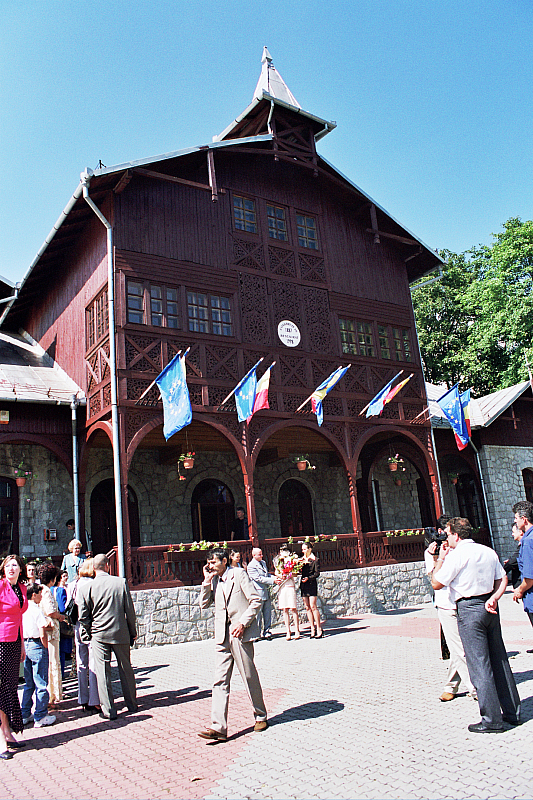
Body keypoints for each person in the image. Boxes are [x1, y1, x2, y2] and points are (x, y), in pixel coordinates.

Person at [431, 517, 521, 732]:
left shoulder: (457, 555)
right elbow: (502, 579)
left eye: (449, 533)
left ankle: (491, 719)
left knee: (479, 664)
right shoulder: (487, 551)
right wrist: (495, 598)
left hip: (469, 608)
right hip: (489, 605)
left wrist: (440, 559)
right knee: (499, 659)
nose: (447, 537)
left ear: (456, 535)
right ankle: (512, 712)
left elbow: (436, 583)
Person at [198, 547, 268, 742]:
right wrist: (205, 582)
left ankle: (260, 715)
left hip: (240, 634)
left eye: (213, 562)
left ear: (224, 562)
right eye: (208, 562)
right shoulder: (214, 581)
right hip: (222, 636)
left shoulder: (239, 574)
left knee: (248, 675)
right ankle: (218, 727)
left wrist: (243, 623)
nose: (210, 565)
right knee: (219, 681)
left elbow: (256, 600)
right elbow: (204, 604)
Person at [78, 553, 137, 720]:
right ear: (108, 566)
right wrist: (132, 631)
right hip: (120, 632)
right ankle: (132, 704)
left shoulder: (86, 588)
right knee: (126, 668)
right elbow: (129, 611)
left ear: (94, 568)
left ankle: (109, 710)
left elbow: (83, 616)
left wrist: (87, 632)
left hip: (98, 633)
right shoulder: (120, 583)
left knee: (103, 672)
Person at [425, 516, 475, 702]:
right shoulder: (433, 552)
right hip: (446, 603)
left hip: (464, 603)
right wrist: (438, 557)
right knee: (459, 649)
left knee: (459, 649)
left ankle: (451, 686)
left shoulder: (462, 550)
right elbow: (434, 579)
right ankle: (476, 688)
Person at [0, 554, 28, 758]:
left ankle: (8, 733)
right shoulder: (0, 586)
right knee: (1, 689)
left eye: (15, 565)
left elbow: (19, 617)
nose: (11, 568)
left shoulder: (22, 588)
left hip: (14, 641)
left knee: (10, 688)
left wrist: (22, 645)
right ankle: (2, 740)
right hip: (0, 642)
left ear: (20, 569)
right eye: (8, 565)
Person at [21, 584, 56, 728]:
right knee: (41, 682)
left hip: (25, 643)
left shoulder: (22, 609)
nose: (41, 597)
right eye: (39, 594)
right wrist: (45, 646)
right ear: (34, 594)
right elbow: (42, 632)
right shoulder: (36, 610)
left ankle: (24, 713)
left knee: (29, 682)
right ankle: (40, 715)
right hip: (36, 644)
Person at [69, 558, 100, 712]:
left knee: (81, 661)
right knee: (93, 661)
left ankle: (83, 698)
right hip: (91, 624)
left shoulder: (73, 585)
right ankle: (95, 699)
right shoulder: (93, 584)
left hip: (77, 625)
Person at [38, 563, 65, 709]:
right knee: (53, 662)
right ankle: (52, 696)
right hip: (50, 629)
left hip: (45, 629)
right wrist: (60, 616)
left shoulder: (39, 589)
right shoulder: (47, 591)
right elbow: (49, 611)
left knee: (49, 662)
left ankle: (50, 695)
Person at [512, 500, 533, 650]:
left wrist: (519, 590)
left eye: (516, 518)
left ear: (524, 519)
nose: (515, 521)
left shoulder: (528, 541)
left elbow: (530, 577)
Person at [246, 548, 275, 639]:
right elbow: (258, 578)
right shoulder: (251, 566)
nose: (261, 556)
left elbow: (266, 575)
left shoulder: (263, 563)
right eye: (259, 554)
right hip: (258, 592)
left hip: (266, 591)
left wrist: (275, 577)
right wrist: (272, 580)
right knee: (258, 615)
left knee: (267, 613)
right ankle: (256, 633)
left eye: (261, 554)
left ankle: (267, 631)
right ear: (253, 555)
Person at [275, 547, 300, 641]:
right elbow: (276, 572)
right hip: (282, 586)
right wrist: (281, 575)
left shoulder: (292, 561)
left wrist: (289, 573)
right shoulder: (279, 562)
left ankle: (297, 630)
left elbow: (295, 573)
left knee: (293, 608)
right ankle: (288, 631)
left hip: (290, 585)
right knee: (285, 609)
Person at [52, 570, 73, 678]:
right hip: (61, 621)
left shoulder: (51, 589)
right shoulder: (60, 591)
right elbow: (62, 607)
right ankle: (60, 676)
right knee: (61, 653)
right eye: (64, 576)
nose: (66, 578)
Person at [300, 541, 323, 638]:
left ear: (310, 549)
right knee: (307, 607)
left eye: (305, 549)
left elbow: (317, 573)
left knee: (313, 606)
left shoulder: (315, 560)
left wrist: (309, 578)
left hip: (311, 583)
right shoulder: (301, 560)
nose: (303, 551)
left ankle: (319, 628)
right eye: (302, 549)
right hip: (303, 584)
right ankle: (312, 628)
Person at [504, 523, 523, 590]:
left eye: (513, 532)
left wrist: (502, 572)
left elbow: (512, 562)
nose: (512, 534)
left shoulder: (525, 544)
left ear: (520, 532)